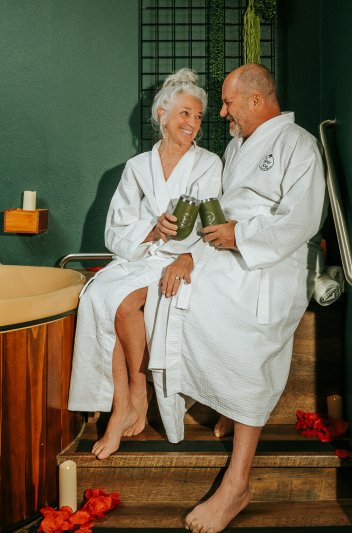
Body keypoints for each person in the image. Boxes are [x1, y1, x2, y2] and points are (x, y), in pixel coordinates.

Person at [149, 63, 326, 533]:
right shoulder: (234, 144)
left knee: (244, 329)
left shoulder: (298, 144)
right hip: (221, 247)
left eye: (227, 103)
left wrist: (241, 236)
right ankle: (221, 403)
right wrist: (190, 253)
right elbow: (217, 207)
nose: (221, 112)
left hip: (271, 260)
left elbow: (301, 220)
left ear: (255, 100)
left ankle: (238, 481)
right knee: (173, 291)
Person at [68, 68, 222, 460]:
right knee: (98, 298)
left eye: (198, 116)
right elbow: (115, 228)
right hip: (143, 254)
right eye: (185, 113)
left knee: (121, 303)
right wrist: (151, 230)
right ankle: (128, 400)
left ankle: (130, 401)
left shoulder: (208, 164)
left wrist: (188, 255)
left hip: (184, 260)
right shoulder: (137, 167)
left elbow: (214, 224)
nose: (192, 123)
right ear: (163, 115)